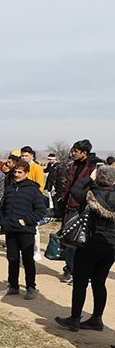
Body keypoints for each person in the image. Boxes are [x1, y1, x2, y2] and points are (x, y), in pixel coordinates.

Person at [55, 166, 115, 332]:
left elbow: (75, 189)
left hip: (89, 244)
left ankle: (74, 318)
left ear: (97, 179)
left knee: (81, 282)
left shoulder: (91, 195)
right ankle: (97, 318)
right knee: (99, 282)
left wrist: (90, 177)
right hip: (111, 247)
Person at [0, 160, 48, 299]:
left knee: (27, 260)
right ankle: (13, 286)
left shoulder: (33, 190)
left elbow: (41, 210)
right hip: (10, 230)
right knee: (12, 259)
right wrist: (3, 221)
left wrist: (26, 221)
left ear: (26, 173)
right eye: (15, 172)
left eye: (20, 172)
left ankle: (31, 287)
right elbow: (3, 207)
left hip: (26, 231)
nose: (16, 174)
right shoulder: (10, 188)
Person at [60, 140, 103, 284]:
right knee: (70, 240)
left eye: (75, 151)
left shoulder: (94, 167)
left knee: (82, 240)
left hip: (85, 207)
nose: (72, 153)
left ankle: (83, 273)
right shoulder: (74, 166)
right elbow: (69, 187)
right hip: (71, 206)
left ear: (84, 153)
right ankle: (70, 269)